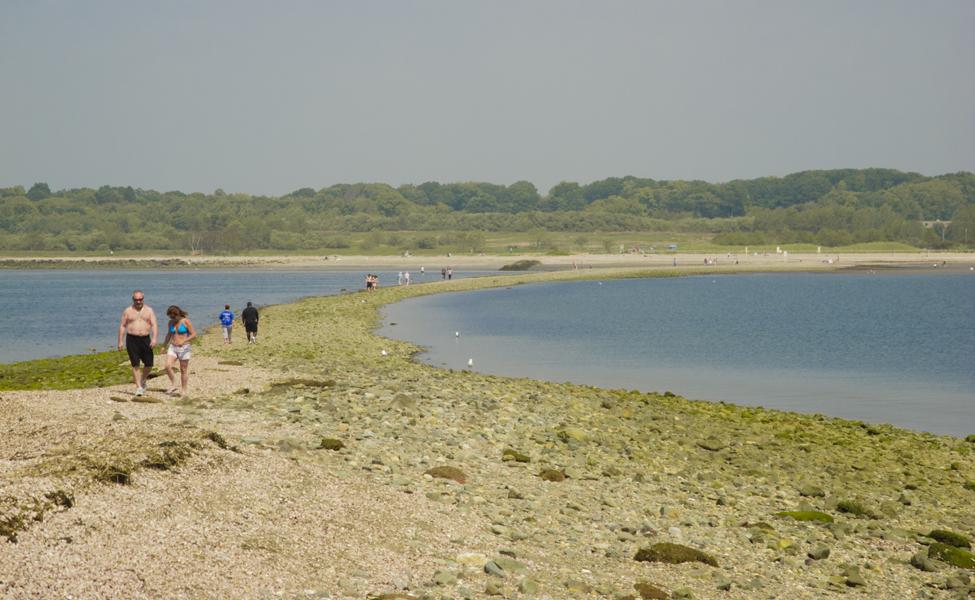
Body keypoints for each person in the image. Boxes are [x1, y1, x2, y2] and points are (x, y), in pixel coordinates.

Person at [118, 290, 158, 397]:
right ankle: (139, 387)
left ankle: (143, 379)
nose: (138, 301)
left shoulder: (149, 310)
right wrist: (120, 341)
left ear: (143, 299)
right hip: (132, 339)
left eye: (140, 299)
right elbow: (122, 326)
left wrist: (154, 338)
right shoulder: (128, 311)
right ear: (133, 300)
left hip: (145, 339)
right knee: (135, 363)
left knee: (149, 364)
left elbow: (154, 325)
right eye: (136, 300)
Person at [161, 305, 196, 397]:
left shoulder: (185, 321)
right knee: (167, 366)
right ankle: (174, 385)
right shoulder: (170, 322)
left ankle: (183, 391)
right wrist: (164, 346)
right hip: (173, 346)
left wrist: (184, 341)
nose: (172, 318)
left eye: (173, 317)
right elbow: (169, 334)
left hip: (184, 348)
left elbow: (193, 334)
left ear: (178, 314)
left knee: (183, 370)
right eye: (170, 317)